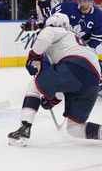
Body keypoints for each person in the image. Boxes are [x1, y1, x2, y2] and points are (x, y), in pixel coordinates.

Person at [8, 13, 102, 146]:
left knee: (34, 86)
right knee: (75, 128)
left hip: (74, 65)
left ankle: (25, 127)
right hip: (92, 81)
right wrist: (54, 99)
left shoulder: (54, 30)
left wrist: (33, 56)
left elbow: (46, 35)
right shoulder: (73, 40)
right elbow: (65, 81)